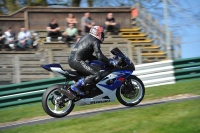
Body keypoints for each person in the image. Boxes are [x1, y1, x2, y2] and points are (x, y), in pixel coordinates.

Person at [67, 26, 117, 98]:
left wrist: (101, 61)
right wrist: (109, 61)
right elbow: (99, 55)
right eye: (101, 34)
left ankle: (84, 89)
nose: (103, 35)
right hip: (77, 60)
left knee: (90, 72)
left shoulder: (86, 36)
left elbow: (87, 53)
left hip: (72, 59)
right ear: (97, 33)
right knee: (96, 74)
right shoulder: (95, 41)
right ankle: (75, 87)